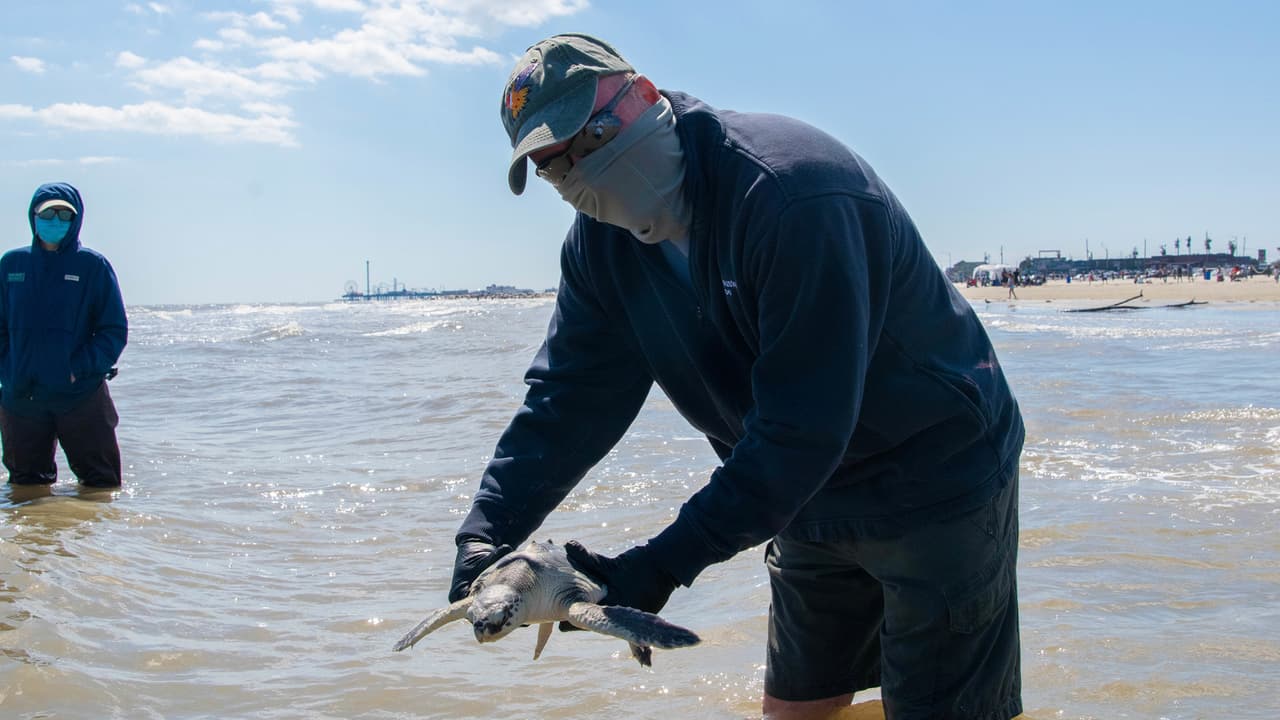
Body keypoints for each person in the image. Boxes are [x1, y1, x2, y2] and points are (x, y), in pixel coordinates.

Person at [449, 34, 1024, 719]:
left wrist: (659, 565)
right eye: (554, 167)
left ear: (645, 96)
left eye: (591, 136)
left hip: (933, 475)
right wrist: (485, 530)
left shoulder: (791, 193)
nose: (581, 172)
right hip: (798, 501)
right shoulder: (601, 248)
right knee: (794, 709)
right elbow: (569, 401)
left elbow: (801, 430)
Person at [0, 182, 128, 488]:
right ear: (33, 216)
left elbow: (113, 330)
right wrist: (9, 369)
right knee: (25, 488)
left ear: (76, 219)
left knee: (102, 486)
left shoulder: (92, 266)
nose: (56, 221)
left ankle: (89, 539)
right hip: (22, 398)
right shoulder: (11, 265)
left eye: (64, 215)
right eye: (48, 214)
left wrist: (77, 370)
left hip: (80, 396)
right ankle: (35, 538)